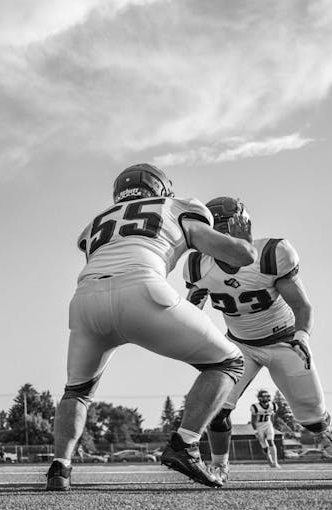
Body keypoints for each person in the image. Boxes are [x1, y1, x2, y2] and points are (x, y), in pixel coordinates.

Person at [45, 164, 257, 491]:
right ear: (160, 188)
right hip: (142, 289)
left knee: (77, 391)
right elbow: (235, 256)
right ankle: (184, 444)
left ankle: (60, 467)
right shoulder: (178, 205)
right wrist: (243, 241)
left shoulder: (95, 224)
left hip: (85, 300)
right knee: (229, 361)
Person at [184, 197, 332, 482]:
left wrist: (302, 337)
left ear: (242, 227)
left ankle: (324, 428)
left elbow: (302, 307)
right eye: (215, 232)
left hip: (284, 341)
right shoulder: (198, 265)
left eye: (227, 230)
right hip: (239, 345)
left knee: (312, 420)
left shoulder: (271, 254)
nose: (220, 239)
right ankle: (219, 465)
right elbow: (191, 310)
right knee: (218, 408)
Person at [249, 390, 280, 468]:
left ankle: (275, 462)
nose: (267, 398)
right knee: (264, 445)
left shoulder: (273, 405)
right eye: (264, 396)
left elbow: (272, 416)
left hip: (268, 424)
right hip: (259, 426)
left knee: (270, 441)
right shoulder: (255, 407)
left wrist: (272, 425)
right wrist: (255, 431)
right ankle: (269, 459)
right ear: (260, 398)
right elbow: (253, 420)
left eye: (267, 396)